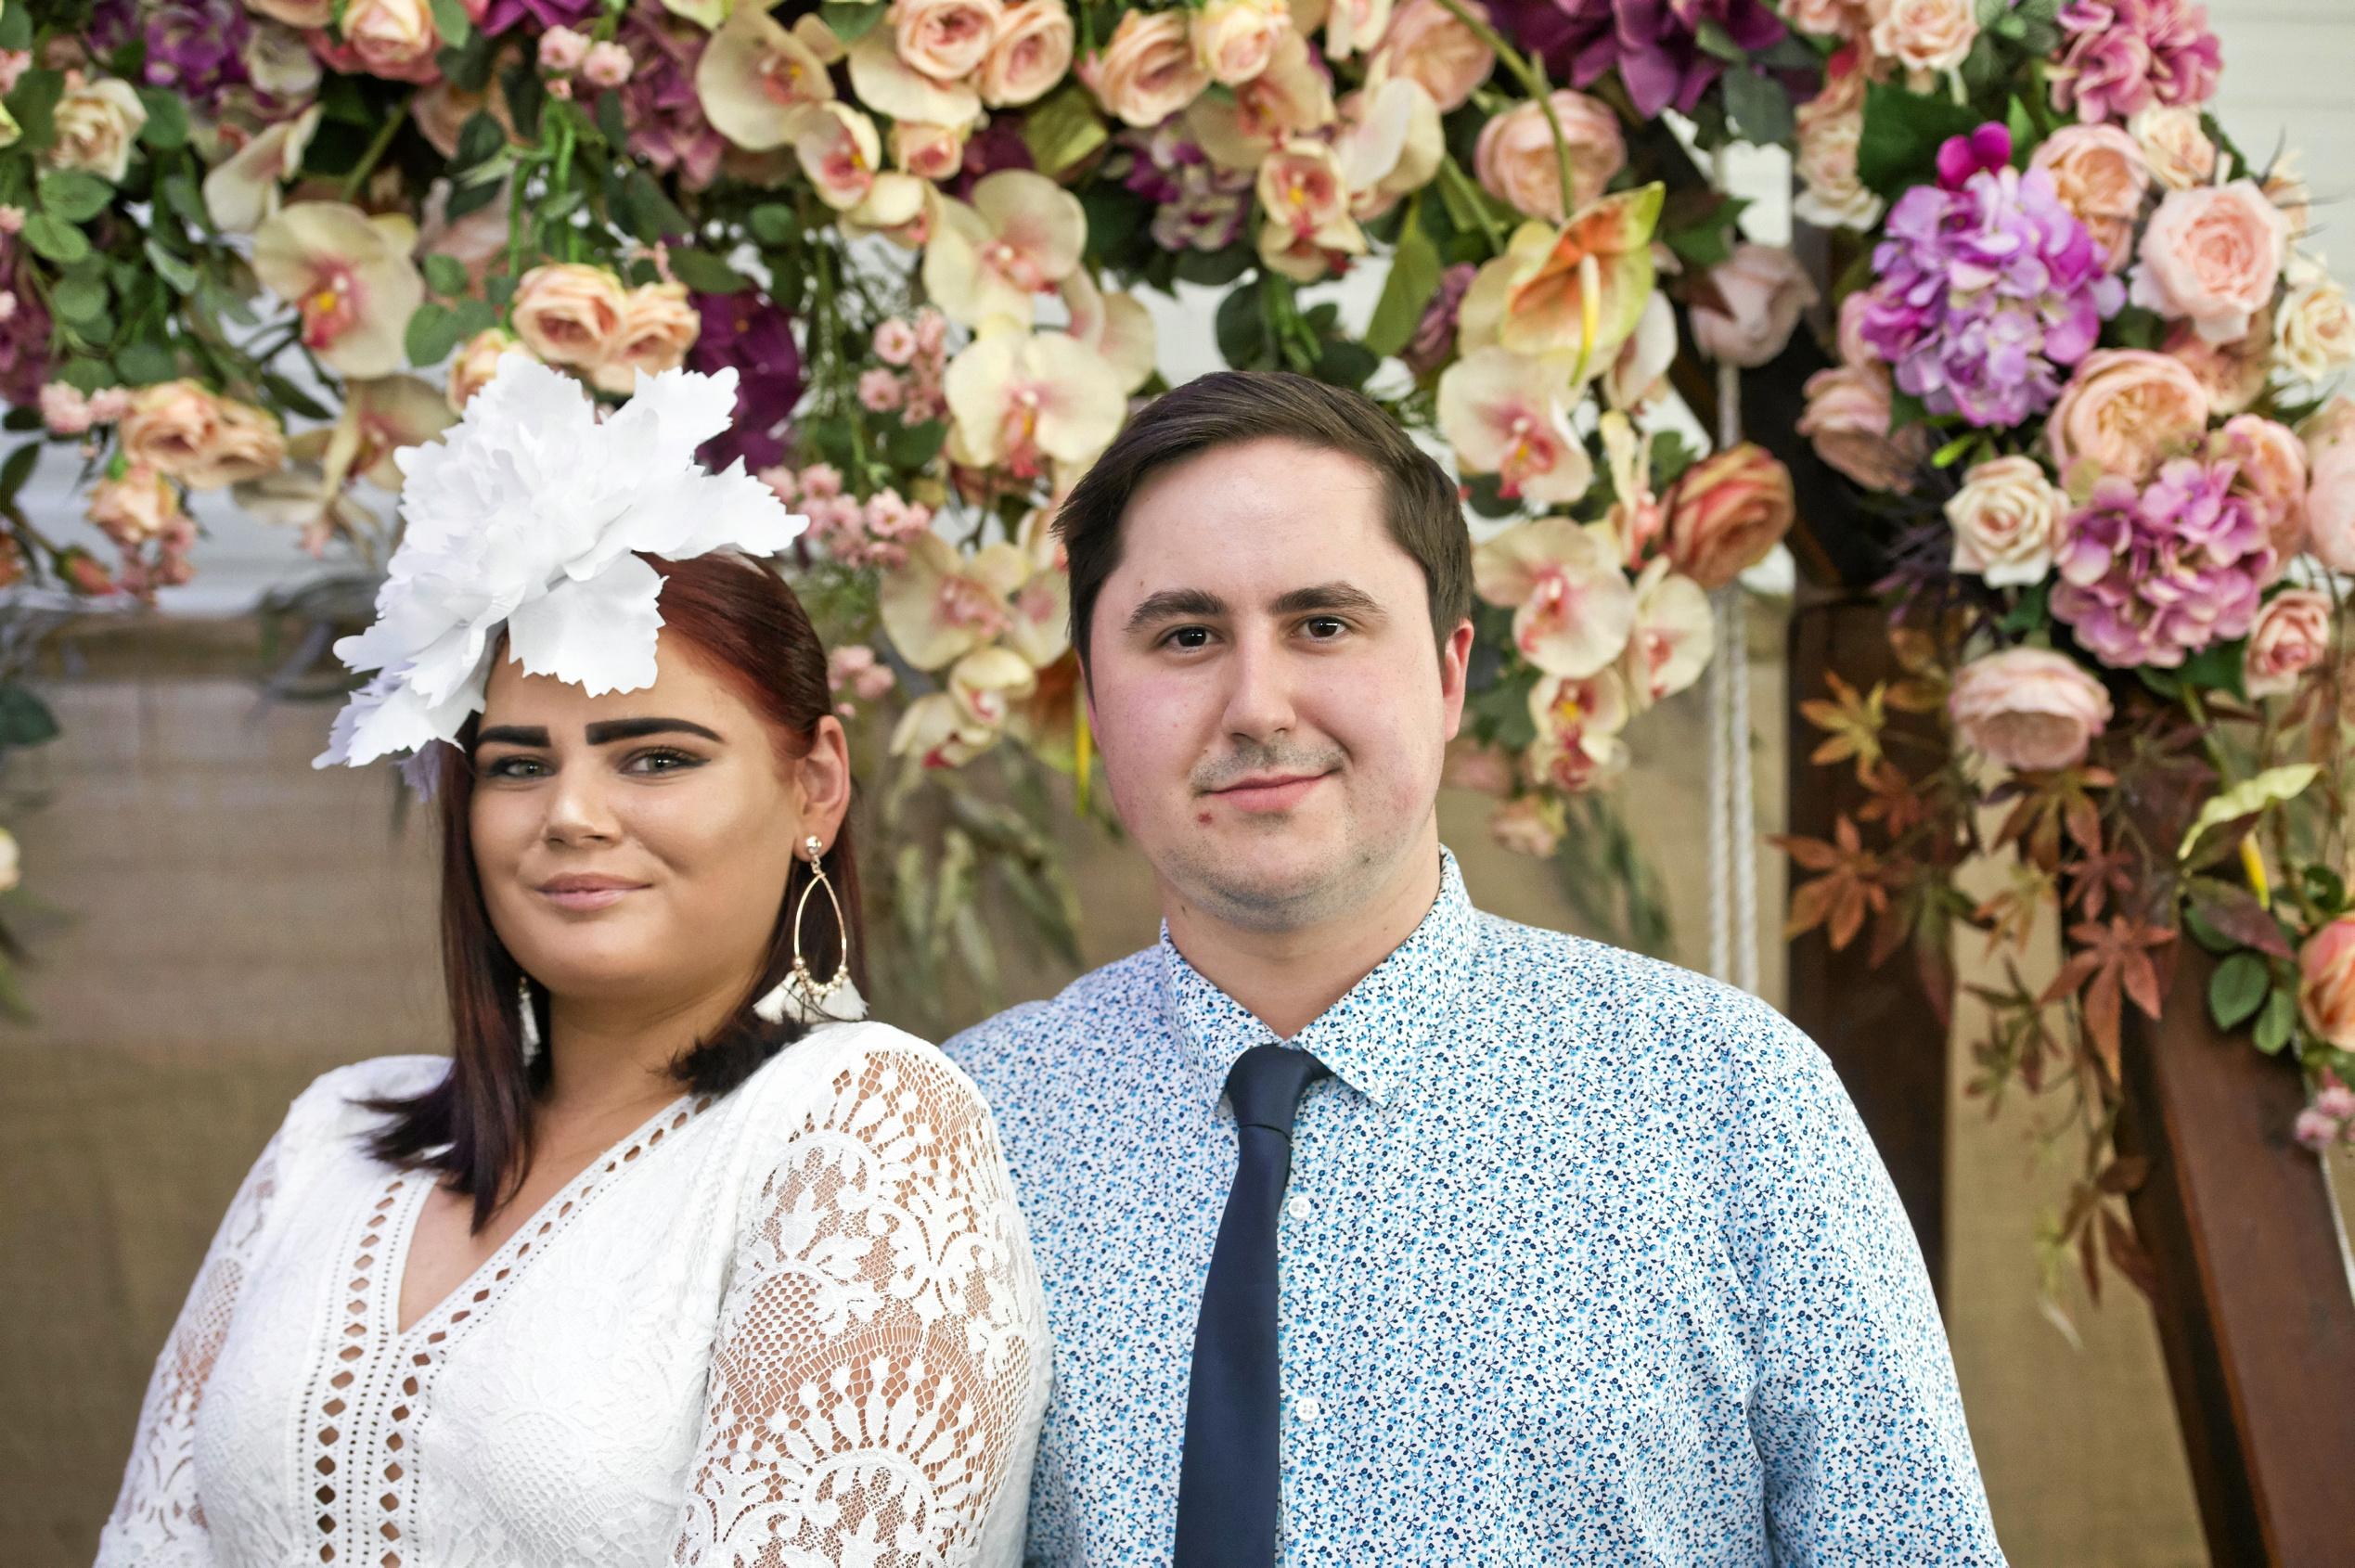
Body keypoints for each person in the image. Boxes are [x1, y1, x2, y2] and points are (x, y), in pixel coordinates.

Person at [944, 370, 2006, 1564]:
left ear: (1451, 674)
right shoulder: (958, 1135)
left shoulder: (1730, 1101)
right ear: (1092, 696)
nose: (1256, 703)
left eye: (1323, 625)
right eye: (1186, 636)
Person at [96, 358, 1049, 1567]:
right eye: (516, 763)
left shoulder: (857, 1122)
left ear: (813, 783)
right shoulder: (330, 1137)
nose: (573, 814)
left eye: (653, 757)